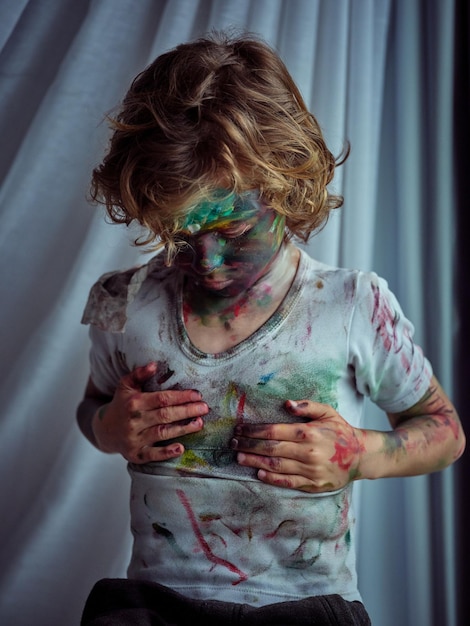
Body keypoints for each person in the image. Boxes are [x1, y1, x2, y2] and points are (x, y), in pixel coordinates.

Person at [77, 31, 465, 626]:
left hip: (303, 606)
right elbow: (92, 411)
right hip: (156, 604)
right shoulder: (116, 299)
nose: (204, 262)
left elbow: (445, 431)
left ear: (288, 187)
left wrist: (360, 452)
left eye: (230, 233)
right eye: (181, 236)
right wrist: (110, 426)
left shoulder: (354, 301)